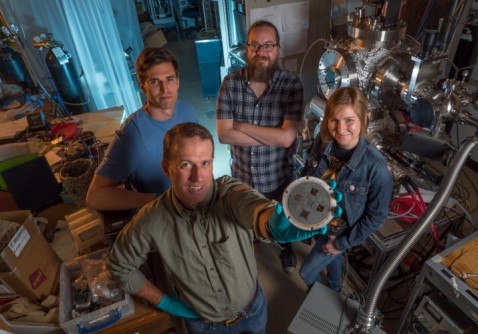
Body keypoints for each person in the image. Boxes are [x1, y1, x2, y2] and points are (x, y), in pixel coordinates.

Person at [108, 122, 325, 334]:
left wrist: (272, 225)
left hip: (253, 312)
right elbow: (119, 266)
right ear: (166, 168)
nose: (198, 177)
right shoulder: (151, 220)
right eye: (186, 164)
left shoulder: (230, 193)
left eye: (205, 163)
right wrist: (166, 302)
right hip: (204, 326)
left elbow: (255, 208)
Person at [216, 20, 303, 274]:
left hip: (278, 178)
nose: (261, 51)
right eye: (255, 45)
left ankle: (285, 247)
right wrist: (272, 135)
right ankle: (249, 247)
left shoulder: (291, 85)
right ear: (246, 49)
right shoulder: (230, 84)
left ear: (278, 49)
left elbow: (287, 139)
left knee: (283, 222)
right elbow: (223, 135)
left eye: (268, 45)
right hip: (242, 178)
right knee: (245, 224)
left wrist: (241, 126)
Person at [298, 87, 393, 293]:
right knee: (332, 259)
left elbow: (376, 216)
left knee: (306, 273)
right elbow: (307, 175)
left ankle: (320, 299)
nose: (341, 128)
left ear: (362, 120)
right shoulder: (322, 142)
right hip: (318, 222)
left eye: (349, 120)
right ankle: (335, 289)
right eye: (334, 119)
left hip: (340, 233)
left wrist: (341, 244)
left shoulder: (376, 167)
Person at [86, 47, 197, 211]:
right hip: (162, 215)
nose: (165, 89)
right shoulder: (132, 134)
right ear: (143, 85)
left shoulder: (187, 110)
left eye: (169, 79)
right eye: (154, 81)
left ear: (178, 81)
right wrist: (159, 199)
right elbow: (95, 197)